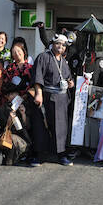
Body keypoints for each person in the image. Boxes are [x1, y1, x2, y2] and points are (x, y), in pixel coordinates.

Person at [31, 34, 74, 166]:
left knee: (61, 127)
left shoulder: (64, 61)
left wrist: (70, 83)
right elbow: (38, 76)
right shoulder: (43, 57)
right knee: (42, 126)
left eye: (63, 45)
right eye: (58, 43)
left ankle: (61, 155)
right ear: (53, 44)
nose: (60, 46)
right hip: (47, 96)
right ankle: (40, 155)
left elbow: (68, 77)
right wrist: (38, 93)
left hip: (61, 98)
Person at [0, 91, 33, 166]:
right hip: (8, 136)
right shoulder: (3, 108)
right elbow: (2, 126)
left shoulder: (24, 105)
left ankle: (15, 158)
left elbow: (28, 127)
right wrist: (9, 119)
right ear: (7, 97)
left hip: (23, 138)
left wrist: (23, 114)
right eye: (10, 94)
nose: (13, 96)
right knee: (12, 138)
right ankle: (9, 159)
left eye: (15, 94)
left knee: (14, 139)